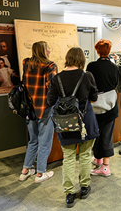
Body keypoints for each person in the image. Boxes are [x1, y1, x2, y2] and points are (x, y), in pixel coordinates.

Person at [47, 47, 99, 208]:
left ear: (67, 58)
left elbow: (50, 101)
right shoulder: (87, 76)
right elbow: (94, 98)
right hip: (85, 122)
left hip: (65, 123)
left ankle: (69, 193)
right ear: (82, 59)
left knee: (68, 157)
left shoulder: (57, 78)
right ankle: (84, 187)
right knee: (84, 155)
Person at [19, 41, 57, 184]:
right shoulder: (50, 66)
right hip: (44, 108)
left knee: (33, 140)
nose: (49, 51)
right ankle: (40, 173)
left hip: (29, 108)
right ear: (43, 51)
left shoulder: (26, 63)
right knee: (45, 141)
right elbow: (52, 89)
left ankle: (25, 170)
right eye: (48, 49)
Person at [87, 39, 119, 176]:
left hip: (95, 106)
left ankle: (105, 167)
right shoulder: (114, 67)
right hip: (110, 105)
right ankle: (101, 161)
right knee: (107, 134)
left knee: (96, 133)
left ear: (97, 50)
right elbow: (116, 84)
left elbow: (88, 84)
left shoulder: (91, 66)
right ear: (109, 51)